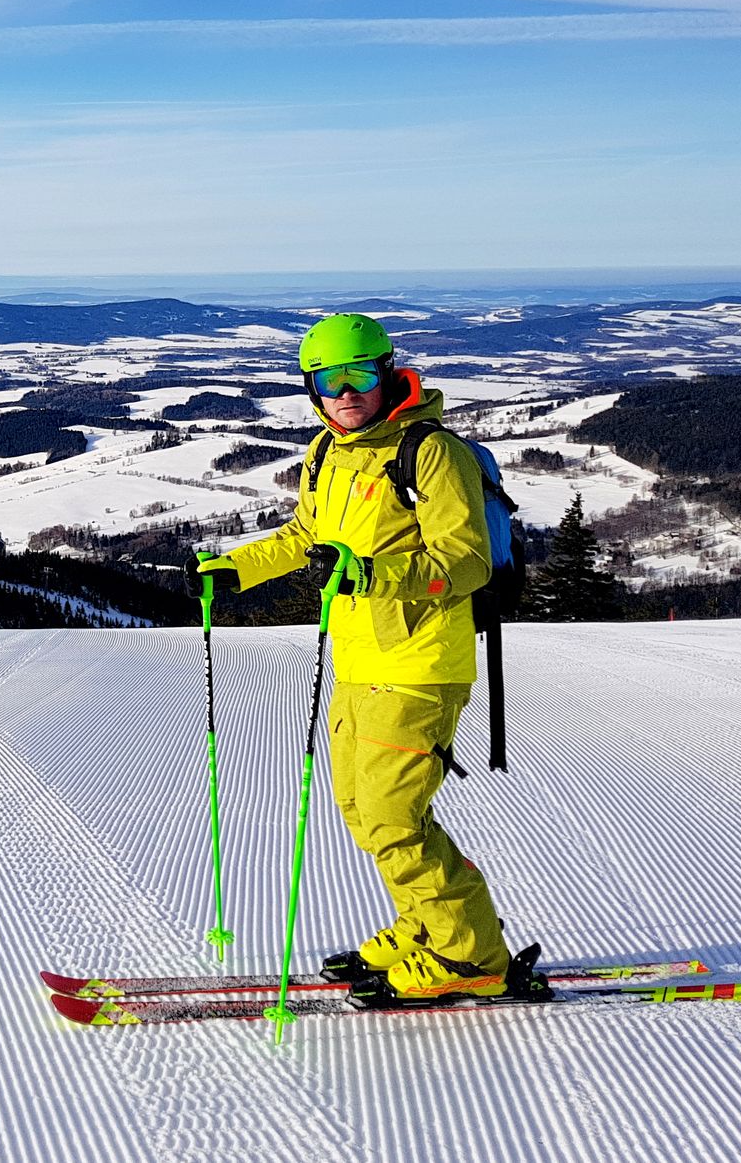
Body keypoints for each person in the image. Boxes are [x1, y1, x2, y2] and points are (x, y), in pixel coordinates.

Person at [190, 312, 514, 1005]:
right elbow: (306, 536)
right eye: (328, 379)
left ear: (388, 370)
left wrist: (373, 574)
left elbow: (465, 562)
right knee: (363, 811)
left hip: (422, 661)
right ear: (310, 387)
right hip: (359, 659)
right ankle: (427, 924)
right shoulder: (326, 453)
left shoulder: (430, 453)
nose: (346, 391)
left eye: (359, 374)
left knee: (396, 817)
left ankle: (472, 954)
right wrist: (234, 571)